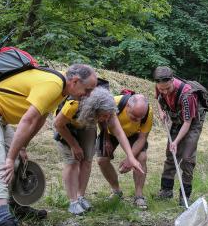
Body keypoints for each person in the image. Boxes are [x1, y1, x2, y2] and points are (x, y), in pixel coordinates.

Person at [0, 64, 98, 226]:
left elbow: (39, 118)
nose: (88, 95)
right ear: (75, 81)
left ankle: (16, 206)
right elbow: (27, 119)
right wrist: (9, 158)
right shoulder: (53, 84)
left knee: (19, 161)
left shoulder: (61, 90)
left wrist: (22, 147)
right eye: (87, 89)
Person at [54, 87, 145, 215]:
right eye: (103, 116)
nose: (106, 119)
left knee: (87, 160)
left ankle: (81, 197)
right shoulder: (73, 105)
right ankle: (73, 202)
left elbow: (119, 133)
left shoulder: (109, 110)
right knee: (73, 161)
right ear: (94, 110)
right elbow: (58, 124)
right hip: (66, 127)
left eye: (108, 116)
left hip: (87, 125)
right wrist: (74, 145)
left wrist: (131, 157)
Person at [153, 66, 205, 205]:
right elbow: (158, 99)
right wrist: (161, 112)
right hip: (177, 118)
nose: (164, 91)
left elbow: (187, 123)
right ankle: (166, 190)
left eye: (167, 89)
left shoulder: (187, 95)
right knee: (171, 155)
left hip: (192, 122)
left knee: (187, 158)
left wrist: (175, 141)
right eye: (161, 88)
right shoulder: (160, 86)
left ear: (172, 80)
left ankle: (184, 197)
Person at [96, 93, 153, 209]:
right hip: (110, 132)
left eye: (139, 118)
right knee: (102, 160)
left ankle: (139, 195)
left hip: (133, 134)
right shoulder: (114, 103)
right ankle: (116, 191)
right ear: (127, 106)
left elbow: (142, 137)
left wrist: (129, 159)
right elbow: (101, 121)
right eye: (133, 116)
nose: (136, 120)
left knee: (142, 157)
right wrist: (106, 138)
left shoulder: (148, 112)